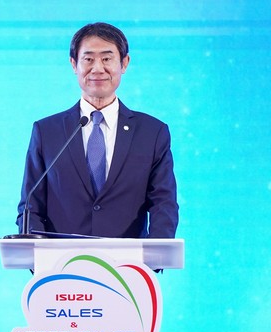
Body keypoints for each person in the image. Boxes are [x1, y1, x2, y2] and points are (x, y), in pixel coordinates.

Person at [16, 22, 178, 238]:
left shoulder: (152, 133)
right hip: (62, 258)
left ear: (124, 63)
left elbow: (163, 204)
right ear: (74, 64)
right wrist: (40, 254)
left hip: (127, 259)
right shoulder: (46, 132)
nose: (98, 68)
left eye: (107, 59)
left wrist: (154, 254)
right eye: (88, 59)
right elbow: (30, 205)